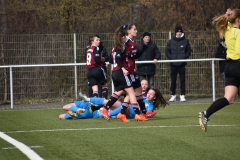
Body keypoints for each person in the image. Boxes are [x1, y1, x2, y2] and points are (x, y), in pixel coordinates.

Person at [199, 8, 240, 132]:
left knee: (229, 98)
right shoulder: (238, 33)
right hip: (238, 65)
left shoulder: (227, 30)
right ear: (238, 20)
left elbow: (227, 22)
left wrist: (228, 15)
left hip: (229, 67)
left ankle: (206, 114)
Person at [102, 25, 148, 122]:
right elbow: (118, 58)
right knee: (131, 92)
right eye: (134, 29)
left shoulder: (115, 47)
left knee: (121, 92)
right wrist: (123, 68)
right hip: (121, 71)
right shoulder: (122, 46)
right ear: (124, 37)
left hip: (115, 71)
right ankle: (138, 114)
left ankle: (117, 112)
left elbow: (111, 59)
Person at [124, 24, 149, 116]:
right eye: (134, 29)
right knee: (126, 92)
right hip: (127, 70)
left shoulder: (133, 41)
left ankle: (144, 112)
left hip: (132, 69)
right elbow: (124, 55)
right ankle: (109, 109)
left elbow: (135, 56)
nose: (136, 31)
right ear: (129, 31)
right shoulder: (126, 41)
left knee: (137, 90)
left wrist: (142, 50)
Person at [165, 25, 191, 102]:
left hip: (182, 64)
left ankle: (182, 95)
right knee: (173, 80)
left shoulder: (185, 41)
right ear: (175, 32)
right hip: (173, 64)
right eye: (177, 32)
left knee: (182, 80)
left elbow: (188, 51)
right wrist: (170, 58)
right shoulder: (171, 41)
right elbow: (167, 51)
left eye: (180, 32)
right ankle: (173, 95)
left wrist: (184, 57)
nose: (179, 33)